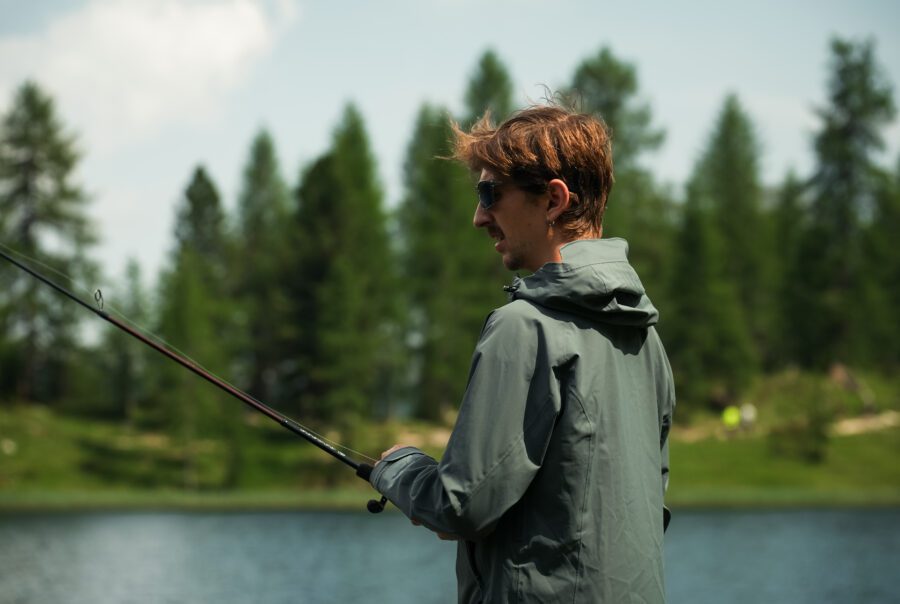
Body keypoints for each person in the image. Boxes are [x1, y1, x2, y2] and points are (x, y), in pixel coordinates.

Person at [369, 104, 675, 603]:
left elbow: (461, 506)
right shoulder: (647, 340)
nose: (479, 217)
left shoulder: (523, 328)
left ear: (553, 200)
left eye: (490, 193)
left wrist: (397, 466)